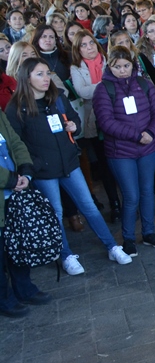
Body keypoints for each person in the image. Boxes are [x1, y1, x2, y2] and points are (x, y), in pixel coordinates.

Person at [5, 58, 131, 275]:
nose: (46, 78)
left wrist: (75, 126)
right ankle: (66, 255)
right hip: (43, 171)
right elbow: (16, 144)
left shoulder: (57, 98)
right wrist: (33, 165)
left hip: (70, 164)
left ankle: (111, 246)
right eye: (40, 74)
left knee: (89, 206)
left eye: (47, 73)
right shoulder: (16, 108)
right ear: (27, 78)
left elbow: (74, 120)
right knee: (56, 212)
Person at [92, 46, 155, 255]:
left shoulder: (143, 84)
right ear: (110, 66)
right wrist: (137, 136)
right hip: (121, 152)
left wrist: (151, 132)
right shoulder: (103, 89)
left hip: (148, 148)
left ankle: (149, 232)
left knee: (147, 192)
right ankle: (128, 238)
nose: (122, 70)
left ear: (132, 65)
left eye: (126, 66)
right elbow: (106, 123)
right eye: (117, 67)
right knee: (131, 195)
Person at [69, 30, 122, 221]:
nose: (89, 47)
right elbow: (82, 91)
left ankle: (128, 202)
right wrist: (106, 85)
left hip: (118, 115)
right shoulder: (76, 67)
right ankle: (114, 203)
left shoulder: (108, 59)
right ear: (77, 49)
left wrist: (99, 86)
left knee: (121, 162)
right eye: (83, 45)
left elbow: (121, 81)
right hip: (94, 119)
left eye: (91, 43)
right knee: (105, 163)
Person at [0, 109, 44, 318]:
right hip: (7, 186)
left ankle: (24, 289)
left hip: (13, 192)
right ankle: (4, 298)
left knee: (18, 243)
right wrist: (10, 179)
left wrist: (25, 170)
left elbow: (16, 142)